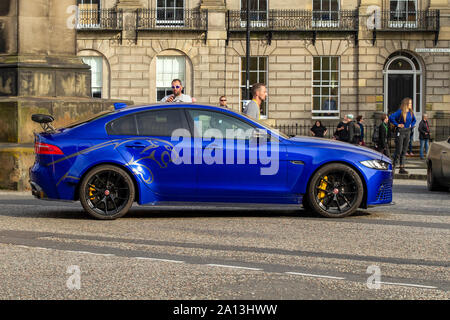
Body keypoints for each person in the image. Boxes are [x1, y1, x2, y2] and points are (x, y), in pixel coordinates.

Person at [389, 97, 416, 174]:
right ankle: (393, 166)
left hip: (408, 132)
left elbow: (414, 120)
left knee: (404, 151)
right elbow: (391, 117)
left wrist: (412, 125)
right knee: (399, 150)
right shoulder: (400, 111)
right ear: (406, 104)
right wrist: (397, 124)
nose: (411, 104)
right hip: (400, 132)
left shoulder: (411, 112)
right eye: (410, 103)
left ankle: (402, 168)